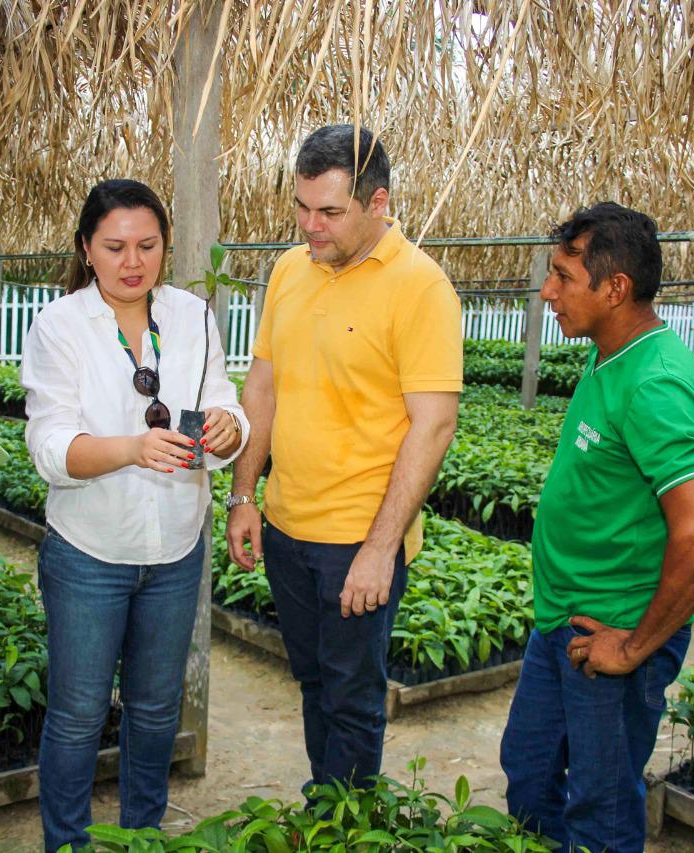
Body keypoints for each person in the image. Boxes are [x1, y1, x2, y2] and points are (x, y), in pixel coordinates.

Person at [224, 125, 462, 791]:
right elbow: (263, 386)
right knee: (312, 681)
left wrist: (381, 547)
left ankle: (344, 822)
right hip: (286, 526)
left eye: (328, 212)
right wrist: (245, 496)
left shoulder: (420, 286)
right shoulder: (288, 270)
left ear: (377, 202)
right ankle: (326, 803)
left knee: (354, 699)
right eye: (302, 207)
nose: (310, 226)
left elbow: (434, 425)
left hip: (357, 538)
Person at [21, 179, 248, 850]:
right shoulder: (58, 326)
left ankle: (142, 836)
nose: (132, 261)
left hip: (175, 547)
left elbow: (223, 396)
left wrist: (229, 427)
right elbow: (49, 448)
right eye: (115, 246)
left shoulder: (189, 315)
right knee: (78, 713)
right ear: (86, 249)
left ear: (165, 247)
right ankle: (67, 840)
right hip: (90, 549)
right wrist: (132, 448)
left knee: (154, 711)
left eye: (147, 245)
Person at [499, 203, 694, 852]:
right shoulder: (611, 355)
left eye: (563, 276)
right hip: (564, 624)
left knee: (599, 812)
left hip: (611, 633)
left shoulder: (657, 381)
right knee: (531, 774)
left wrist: (631, 648)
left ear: (615, 288)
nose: (548, 291)